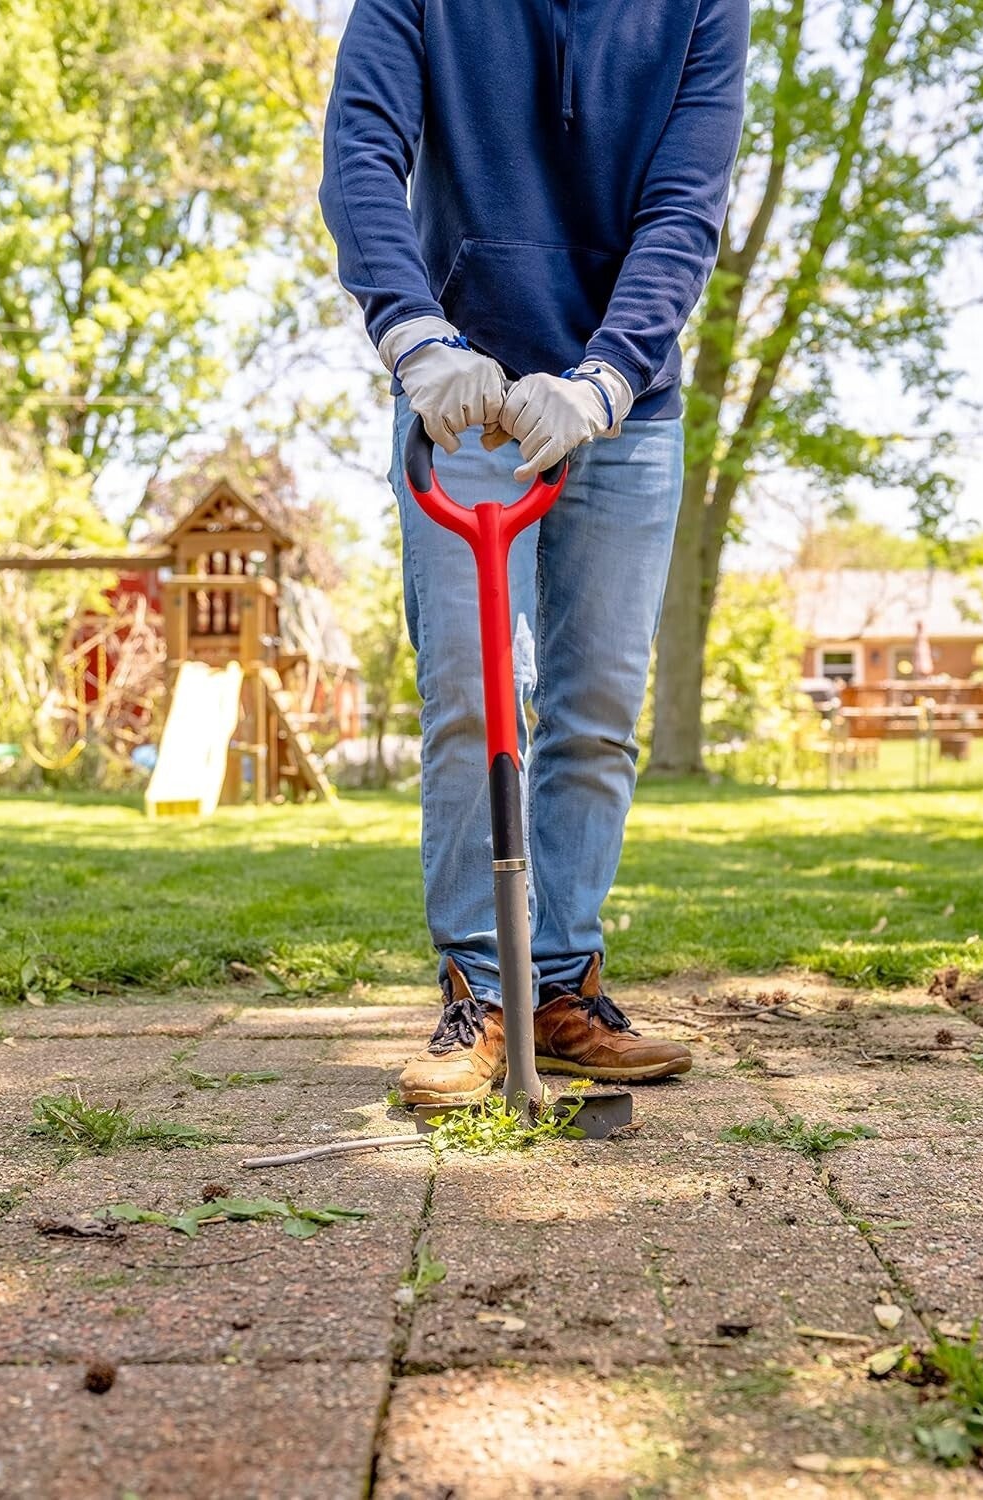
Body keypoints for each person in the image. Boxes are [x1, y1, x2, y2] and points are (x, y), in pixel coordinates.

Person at [320, 0, 751, 1108]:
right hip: (460, 397)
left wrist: (609, 375)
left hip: (622, 402)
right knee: (470, 696)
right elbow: (362, 153)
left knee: (599, 707)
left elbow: (684, 206)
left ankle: (560, 987)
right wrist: (414, 334)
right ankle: (479, 988)